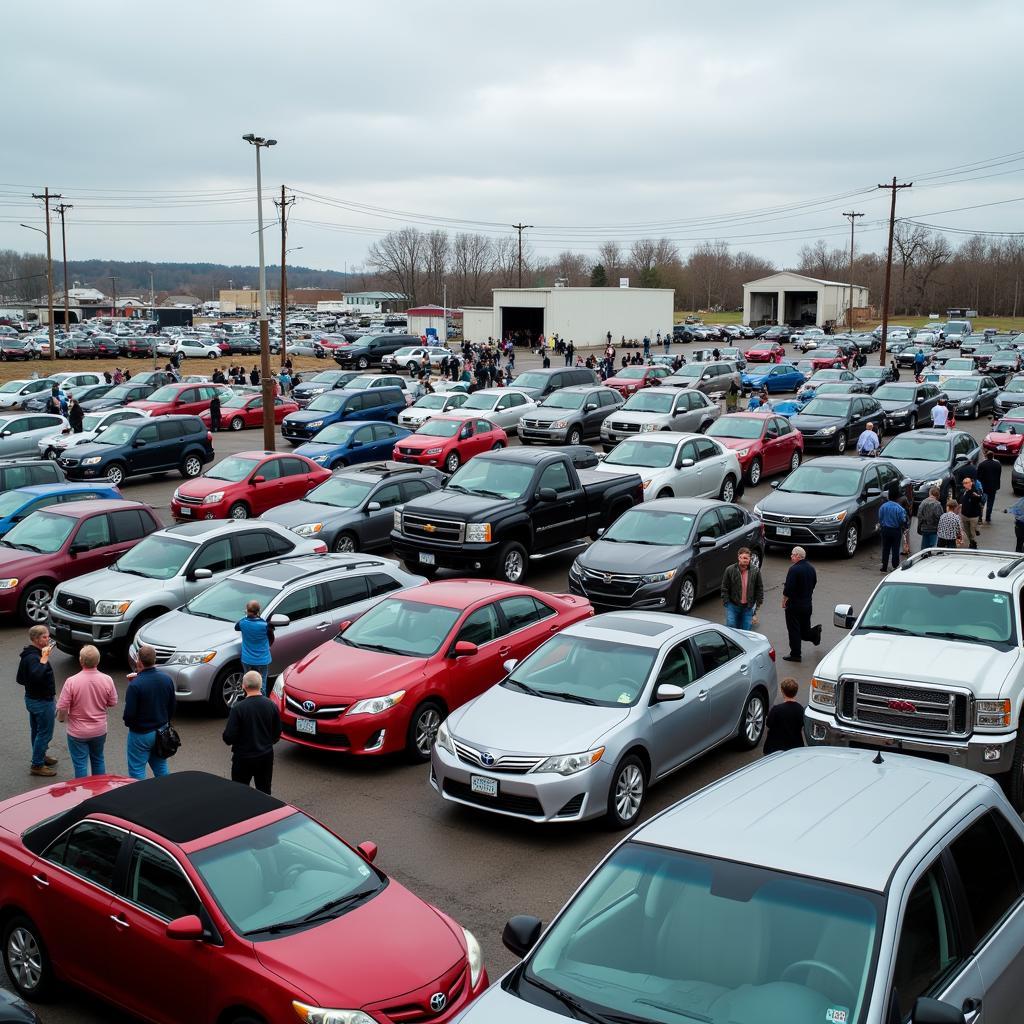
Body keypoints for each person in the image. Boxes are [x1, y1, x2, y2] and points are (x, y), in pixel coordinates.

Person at [56, 645, 117, 778]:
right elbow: (112, 702)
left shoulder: (71, 681)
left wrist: (62, 718)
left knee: (80, 764)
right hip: (99, 730)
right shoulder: (107, 679)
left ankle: (82, 793)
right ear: (98, 661)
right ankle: (100, 792)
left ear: (81, 661)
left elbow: (62, 707)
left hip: (77, 732)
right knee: (98, 759)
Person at [222, 670, 282, 794]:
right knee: (264, 791)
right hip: (265, 756)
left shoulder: (238, 708)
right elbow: (277, 734)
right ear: (260, 685)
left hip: (243, 758)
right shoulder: (271, 706)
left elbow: (228, 737)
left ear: (243, 686)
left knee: (240, 792)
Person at [124, 645, 176, 780]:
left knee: (137, 771)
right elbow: (172, 706)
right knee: (160, 767)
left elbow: (129, 716)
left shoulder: (135, 685)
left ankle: (141, 799)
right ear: (155, 660)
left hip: (141, 734)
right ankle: (167, 794)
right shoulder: (167, 679)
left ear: (139, 661)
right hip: (162, 731)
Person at [18, 625, 58, 777]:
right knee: (44, 733)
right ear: (36, 639)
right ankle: (37, 765)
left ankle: (40, 755)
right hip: (42, 701)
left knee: (37, 731)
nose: (48, 639)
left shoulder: (28, 654)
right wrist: (45, 657)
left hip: (32, 699)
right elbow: (37, 676)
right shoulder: (34, 657)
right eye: (44, 637)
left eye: (48, 636)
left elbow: (21, 679)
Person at [782, 547, 820, 663]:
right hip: (807, 605)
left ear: (798, 556)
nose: (791, 556)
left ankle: (795, 654)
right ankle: (814, 634)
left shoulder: (794, 569)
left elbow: (788, 588)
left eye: (793, 555)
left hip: (794, 606)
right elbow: (814, 583)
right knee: (804, 631)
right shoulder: (811, 568)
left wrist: (784, 601)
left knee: (794, 630)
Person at [720, 547, 763, 630]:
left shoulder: (755, 571)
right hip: (732, 605)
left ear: (750, 558)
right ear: (738, 557)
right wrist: (726, 602)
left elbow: (759, 588)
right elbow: (724, 587)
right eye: (742, 558)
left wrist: (758, 604)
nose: (745, 560)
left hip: (748, 607)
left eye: (747, 558)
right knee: (731, 627)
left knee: (746, 630)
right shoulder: (730, 570)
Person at [235, 600, 273, 695]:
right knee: (262, 682)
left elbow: (236, 627)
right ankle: (262, 699)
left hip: (247, 659)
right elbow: (271, 638)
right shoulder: (265, 625)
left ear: (247, 610)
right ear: (258, 611)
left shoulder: (243, 623)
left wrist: (246, 615)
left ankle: (248, 697)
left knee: (247, 681)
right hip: (263, 659)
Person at [763, 678, 805, 755]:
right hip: (795, 747)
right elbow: (802, 726)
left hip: (775, 747)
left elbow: (768, 724)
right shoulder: (801, 709)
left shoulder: (776, 709)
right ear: (796, 692)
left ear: (782, 691)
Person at [878, 488, 909, 571]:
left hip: (885, 530)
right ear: (897, 498)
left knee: (885, 548)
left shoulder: (883, 507)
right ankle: (895, 566)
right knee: (895, 548)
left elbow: (880, 518)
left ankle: (884, 566)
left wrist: (883, 524)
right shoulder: (899, 508)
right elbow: (902, 520)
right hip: (896, 530)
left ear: (888, 496)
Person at [976, 451, 1002, 524]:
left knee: (981, 503)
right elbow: (998, 476)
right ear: (993, 456)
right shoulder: (997, 465)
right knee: (990, 502)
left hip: (983, 487)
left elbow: (978, 477)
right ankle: (988, 517)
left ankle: (980, 518)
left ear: (986, 456)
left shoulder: (982, 465)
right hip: (993, 487)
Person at [959, 477, 984, 549]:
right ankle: (971, 541)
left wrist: (978, 496)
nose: (965, 484)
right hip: (964, 515)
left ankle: (973, 543)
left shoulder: (974, 492)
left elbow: (979, 499)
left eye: (966, 483)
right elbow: (960, 500)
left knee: (972, 531)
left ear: (971, 483)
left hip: (973, 516)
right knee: (966, 530)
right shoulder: (962, 492)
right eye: (964, 483)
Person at [916, 486, 943, 550]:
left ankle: (923, 559)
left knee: (924, 547)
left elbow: (919, 515)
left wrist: (920, 526)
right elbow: (940, 517)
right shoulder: (937, 504)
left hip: (924, 528)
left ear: (930, 493)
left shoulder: (923, 502)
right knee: (932, 547)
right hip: (934, 529)